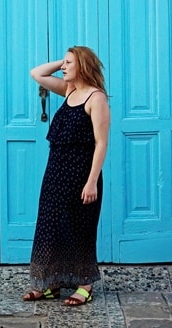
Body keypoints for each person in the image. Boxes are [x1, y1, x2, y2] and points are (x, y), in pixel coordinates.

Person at [23, 47, 110, 307]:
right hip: (55, 172)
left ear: (82, 66)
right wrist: (64, 60)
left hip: (81, 173)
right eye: (64, 63)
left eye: (69, 63)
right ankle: (50, 284)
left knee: (79, 228)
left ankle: (85, 286)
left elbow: (101, 143)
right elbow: (36, 73)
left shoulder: (96, 98)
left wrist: (92, 180)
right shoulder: (69, 90)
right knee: (49, 226)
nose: (63, 67)